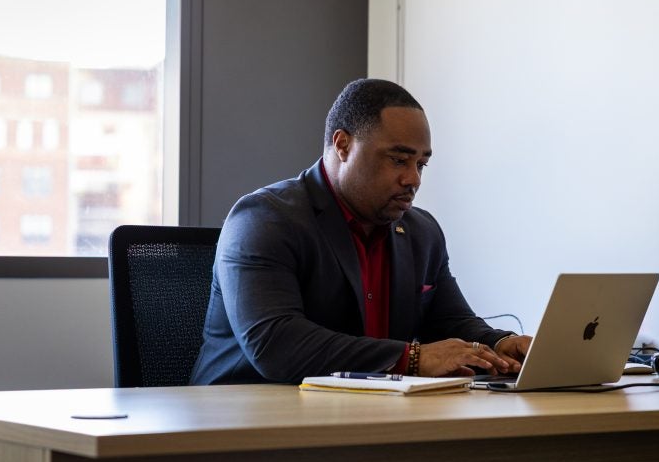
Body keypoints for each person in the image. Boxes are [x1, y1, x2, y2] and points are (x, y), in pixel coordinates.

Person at [190, 78, 532, 384]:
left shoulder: (421, 231)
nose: (413, 179)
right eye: (399, 160)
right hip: (244, 419)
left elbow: (451, 321)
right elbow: (276, 344)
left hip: (364, 415)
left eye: (421, 164)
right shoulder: (264, 219)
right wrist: (412, 359)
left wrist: (501, 345)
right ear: (342, 145)